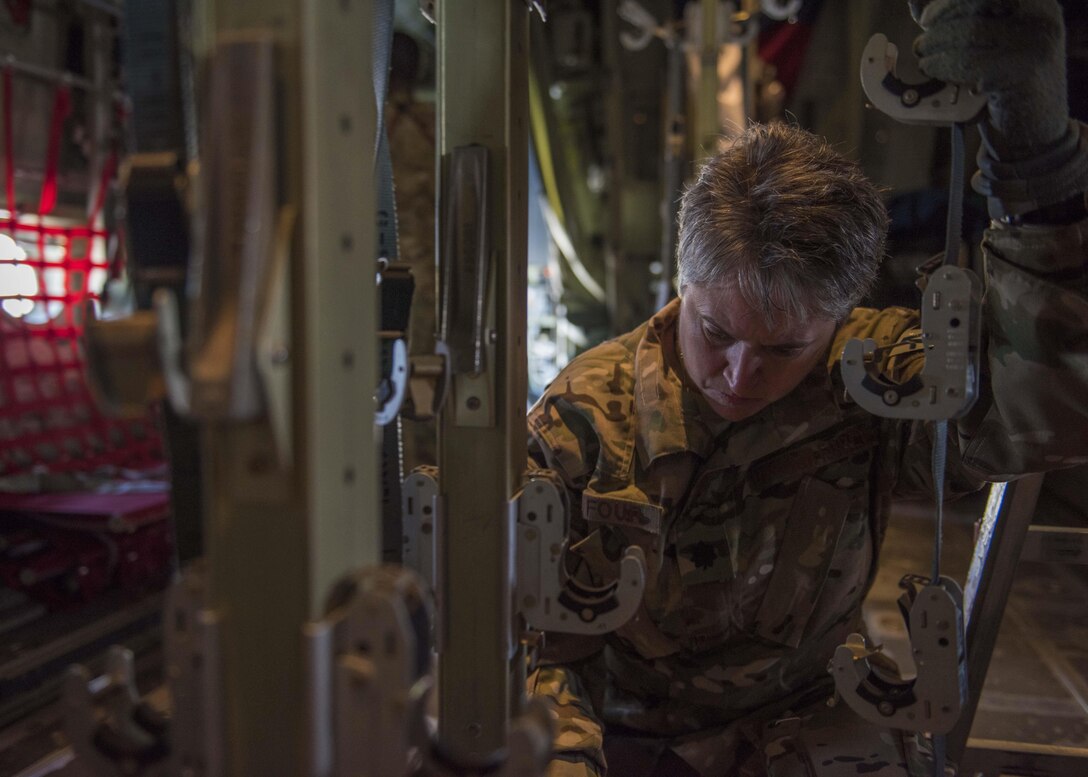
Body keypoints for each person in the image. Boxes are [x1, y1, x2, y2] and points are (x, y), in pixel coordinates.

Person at [524, 1, 1088, 775]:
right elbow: (532, 651)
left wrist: (1040, 172)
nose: (740, 374)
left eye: (784, 348)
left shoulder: (869, 378)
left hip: (794, 723)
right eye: (716, 332)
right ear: (685, 284)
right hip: (621, 736)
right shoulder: (582, 419)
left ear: (838, 318)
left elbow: (1056, 402)